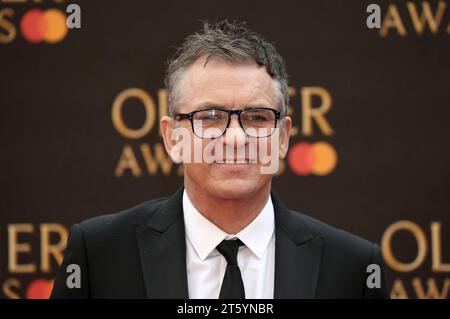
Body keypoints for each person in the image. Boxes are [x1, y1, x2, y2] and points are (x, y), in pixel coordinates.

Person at [51, 20, 387, 299]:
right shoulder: (100, 256)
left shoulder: (352, 268)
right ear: (172, 138)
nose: (235, 138)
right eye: (210, 117)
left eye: (256, 118)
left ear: (283, 138)